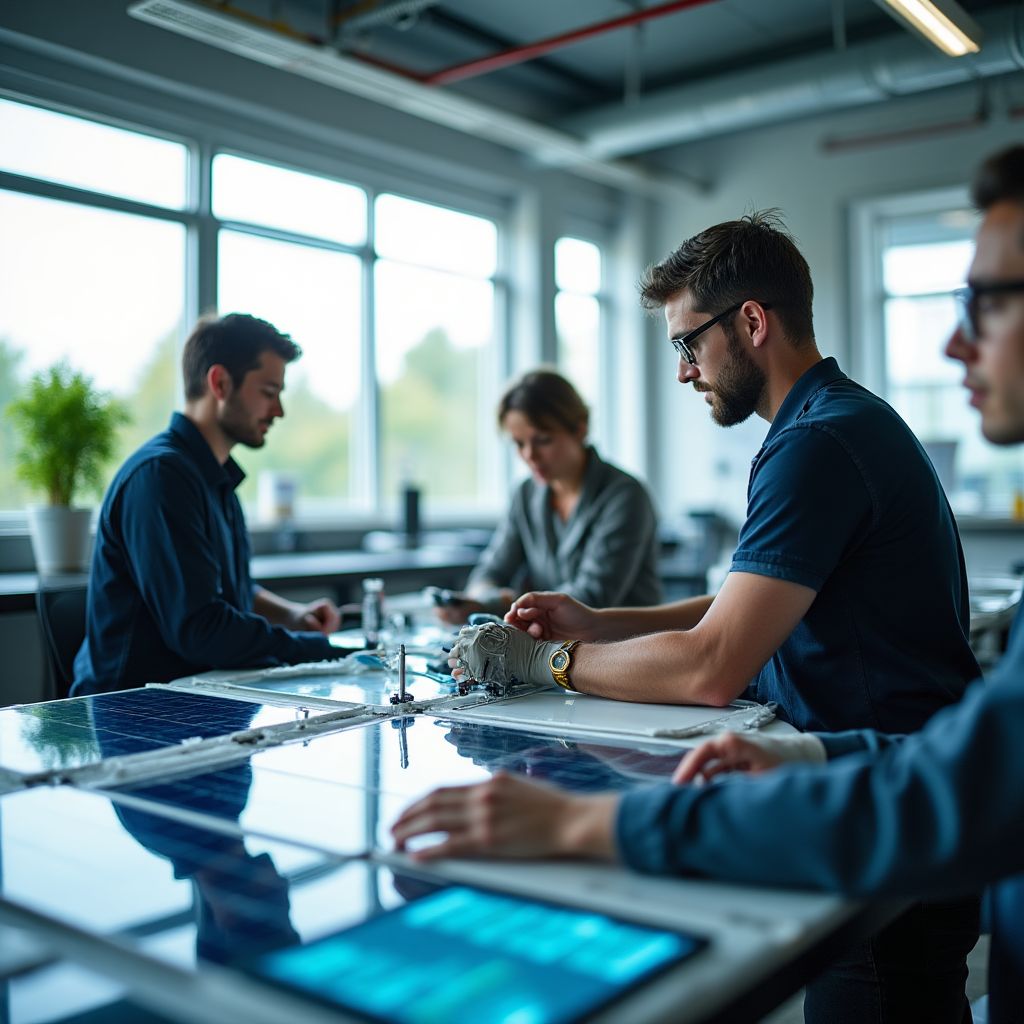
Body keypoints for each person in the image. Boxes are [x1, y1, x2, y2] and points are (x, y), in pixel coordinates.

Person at [392, 145, 1024, 1023]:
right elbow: (746, 600)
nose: (684, 368)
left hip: (891, 817)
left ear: (753, 322)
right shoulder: (833, 421)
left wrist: (550, 664)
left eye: (691, 342)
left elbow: (711, 666)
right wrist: (601, 620)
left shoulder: (815, 444)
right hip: (880, 776)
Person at [72, 313, 341, 696]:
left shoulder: (216, 479)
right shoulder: (161, 477)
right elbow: (200, 627)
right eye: (268, 392)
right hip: (133, 716)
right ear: (220, 382)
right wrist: (314, 650)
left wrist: (292, 616)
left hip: (197, 701)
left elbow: (226, 588)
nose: (278, 410)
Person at [434, 369, 661, 625]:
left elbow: (592, 597)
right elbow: (493, 569)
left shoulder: (625, 496)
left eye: (543, 440)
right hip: (555, 645)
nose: (530, 455)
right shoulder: (526, 494)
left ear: (580, 429)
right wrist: (477, 600)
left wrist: (500, 602)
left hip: (624, 648)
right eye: (519, 444)